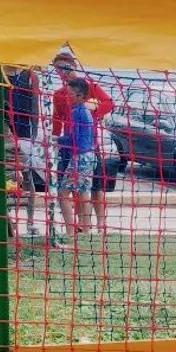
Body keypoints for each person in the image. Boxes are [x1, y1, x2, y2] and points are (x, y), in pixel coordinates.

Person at [51, 51, 113, 233]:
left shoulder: (88, 87)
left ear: (74, 67)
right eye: (58, 69)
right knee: (76, 187)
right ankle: (81, 224)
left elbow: (109, 103)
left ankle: (99, 224)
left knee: (95, 186)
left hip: (88, 145)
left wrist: (91, 110)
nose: (62, 72)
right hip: (71, 146)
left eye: (66, 68)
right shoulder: (59, 94)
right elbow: (57, 119)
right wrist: (55, 140)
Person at [57, 78, 97, 244]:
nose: (67, 97)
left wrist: (58, 140)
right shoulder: (86, 111)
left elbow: (74, 138)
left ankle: (70, 230)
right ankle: (85, 229)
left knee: (63, 193)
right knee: (83, 192)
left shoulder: (77, 112)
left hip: (80, 157)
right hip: (89, 155)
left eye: (70, 94)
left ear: (80, 96)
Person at [5, 64, 42, 237]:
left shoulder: (30, 76)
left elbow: (35, 107)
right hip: (5, 134)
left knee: (27, 177)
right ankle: (7, 220)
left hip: (24, 134)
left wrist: (33, 135)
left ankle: (30, 221)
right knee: (6, 178)